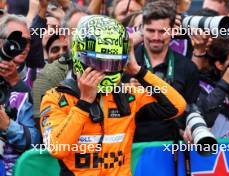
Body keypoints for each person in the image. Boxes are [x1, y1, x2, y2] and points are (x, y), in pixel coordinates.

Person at [39, 15, 186, 176]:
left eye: (113, 63)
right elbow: (57, 149)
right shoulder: (55, 98)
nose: (106, 71)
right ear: (79, 56)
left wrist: (138, 71)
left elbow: (177, 106)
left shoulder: (127, 94)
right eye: (99, 63)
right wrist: (84, 103)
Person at [123, 1, 199, 142]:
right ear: (142, 29)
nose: (156, 37)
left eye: (162, 31)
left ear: (172, 30)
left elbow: (190, 109)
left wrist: (189, 128)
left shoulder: (187, 67)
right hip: (130, 150)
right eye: (151, 30)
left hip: (171, 151)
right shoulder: (125, 64)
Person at [0, 14, 40, 176]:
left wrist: (8, 126)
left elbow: (38, 140)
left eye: (29, 41)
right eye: (17, 39)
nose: (24, 45)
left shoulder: (37, 76)